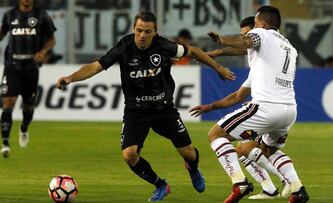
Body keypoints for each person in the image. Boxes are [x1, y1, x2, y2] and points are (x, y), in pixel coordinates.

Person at [56, 11, 235, 202]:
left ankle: (193, 168)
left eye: (147, 31)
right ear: (134, 29)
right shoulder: (124, 47)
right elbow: (96, 66)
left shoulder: (164, 46)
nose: (142, 35)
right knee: (129, 154)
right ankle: (161, 185)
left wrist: (218, 68)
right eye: (139, 30)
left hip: (163, 109)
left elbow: (193, 51)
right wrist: (71, 78)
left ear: (155, 32)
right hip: (136, 111)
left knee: (189, 153)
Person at [190, 6, 309, 203]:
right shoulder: (288, 48)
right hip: (288, 110)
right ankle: (297, 190)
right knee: (266, 150)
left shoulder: (261, 33)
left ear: (261, 22)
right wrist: (209, 107)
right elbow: (237, 95)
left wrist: (222, 40)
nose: (253, 27)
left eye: (254, 23)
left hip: (265, 107)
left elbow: (246, 41)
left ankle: (240, 183)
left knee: (215, 135)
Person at [207, 15, 283, 200]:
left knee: (246, 147)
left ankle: (285, 180)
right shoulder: (259, 61)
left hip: (268, 108)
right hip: (276, 108)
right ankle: (270, 189)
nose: (243, 39)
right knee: (243, 150)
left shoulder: (263, 46)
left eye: (246, 35)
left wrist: (221, 44)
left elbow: (243, 46)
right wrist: (218, 53)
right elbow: (238, 95)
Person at [0, 0, 56, 158]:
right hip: (12, 66)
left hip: (31, 69)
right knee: (8, 103)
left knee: (28, 106)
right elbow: (2, 34)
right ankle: (5, 142)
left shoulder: (41, 15)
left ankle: (24, 128)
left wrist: (43, 52)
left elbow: (52, 39)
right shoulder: (9, 15)